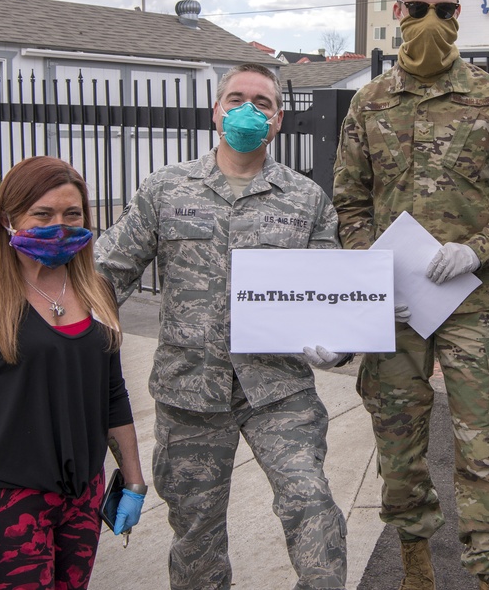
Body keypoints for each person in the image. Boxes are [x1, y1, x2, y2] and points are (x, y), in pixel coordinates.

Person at [332, 0, 489, 590]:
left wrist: (476, 250)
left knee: (481, 449)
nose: (431, 21)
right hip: (395, 307)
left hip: (471, 302)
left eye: (445, 10)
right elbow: (349, 201)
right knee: (398, 444)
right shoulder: (368, 105)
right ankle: (414, 564)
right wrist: (369, 269)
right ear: (399, 13)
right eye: (419, 10)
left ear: (459, 14)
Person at [94, 63, 348, 590]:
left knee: (313, 508)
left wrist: (337, 345)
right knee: (196, 536)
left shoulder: (306, 199)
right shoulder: (165, 188)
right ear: (216, 111)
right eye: (236, 99)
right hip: (190, 390)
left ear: (277, 120)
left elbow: (332, 295)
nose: (248, 111)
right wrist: (53, 321)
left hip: (278, 389)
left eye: (262, 103)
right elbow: (107, 273)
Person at [0, 156, 146, 590]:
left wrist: (133, 479)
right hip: (7, 501)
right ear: (8, 219)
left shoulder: (97, 291)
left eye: (72, 214)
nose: (59, 227)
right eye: (42, 214)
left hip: (83, 496)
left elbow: (112, 394)